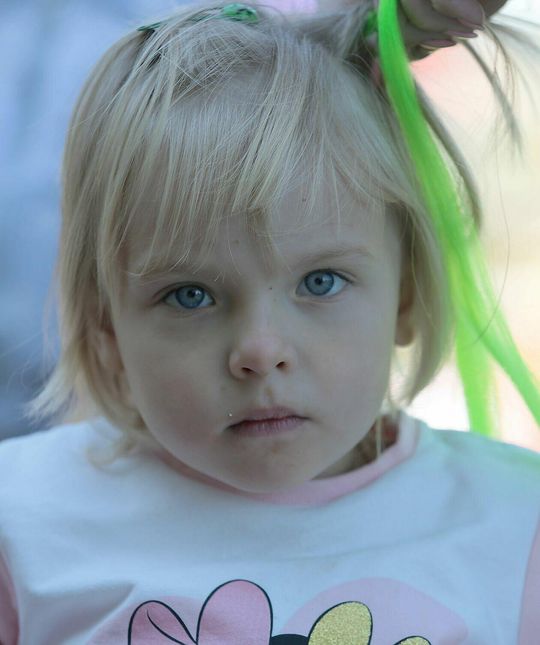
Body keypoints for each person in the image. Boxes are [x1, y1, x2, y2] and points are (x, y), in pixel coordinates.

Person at [0, 0, 539, 641]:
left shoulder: (515, 526)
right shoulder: (22, 523)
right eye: (190, 296)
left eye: (321, 282)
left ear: (405, 297)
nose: (259, 351)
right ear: (106, 328)